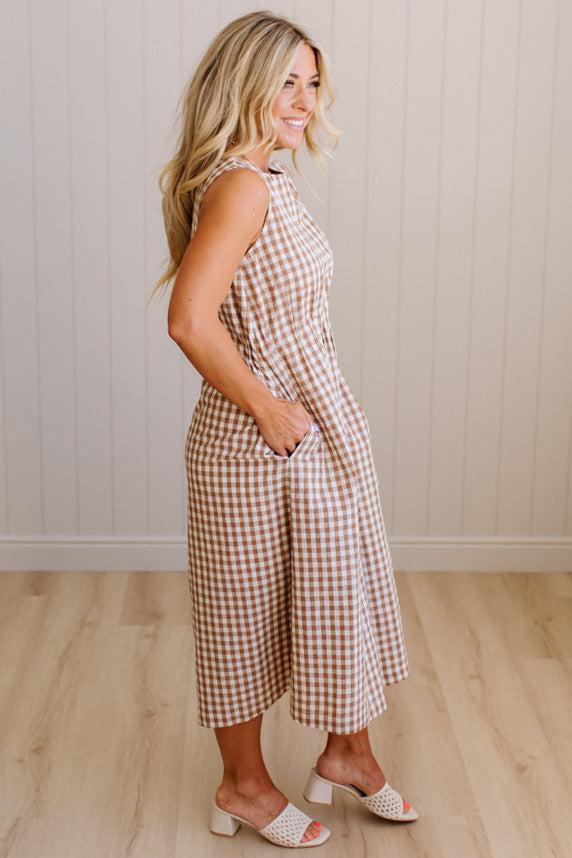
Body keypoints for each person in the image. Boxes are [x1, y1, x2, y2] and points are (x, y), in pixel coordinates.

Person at [151, 10, 417, 849]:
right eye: (286, 82)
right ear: (245, 85)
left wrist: (317, 411)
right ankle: (244, 786)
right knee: (244, 612)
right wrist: (270, 411)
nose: (303, 100)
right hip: (255, 443)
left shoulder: (270, 177)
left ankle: (348, 751)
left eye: (311, 82)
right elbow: (190, 320)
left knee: (338, 591)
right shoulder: (240, 184)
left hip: (311, 431)